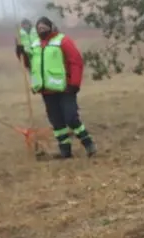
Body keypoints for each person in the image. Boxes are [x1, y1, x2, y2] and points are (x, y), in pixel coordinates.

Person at [25, 16, 96, 158]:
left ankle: (88, 143)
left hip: (66, 88)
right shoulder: (35, 45)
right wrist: (21, 52)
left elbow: (76, 62)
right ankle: (65, 150)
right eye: (39, 28)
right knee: (57, 122)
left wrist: (74, 83)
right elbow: (32, 65)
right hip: (47, 90)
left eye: (44, 27)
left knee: (71, 118)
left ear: (51, 27)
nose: (42, 30)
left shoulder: (63, 41)